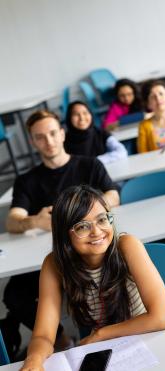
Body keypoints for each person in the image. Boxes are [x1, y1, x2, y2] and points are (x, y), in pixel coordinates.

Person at [2, 110, 119, 359]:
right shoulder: (27, 180)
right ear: (33, 142)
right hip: (54, 260)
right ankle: (60, 339)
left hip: (92, 251)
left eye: (53, 133)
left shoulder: (89, 165)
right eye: (40, 137)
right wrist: (35, 221)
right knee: (14, 295)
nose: (49, 141)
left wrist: (83, 215)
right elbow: (12, 220)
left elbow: (113, 195)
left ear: (62, 133)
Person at [19, 185, 165, 371]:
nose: (97, 232)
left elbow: (162, 317)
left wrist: (101, 334)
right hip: (104, 351)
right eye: (82, 226)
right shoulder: (54, 264)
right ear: (64, 234)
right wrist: (33, 360)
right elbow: (43, 335)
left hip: (147, 337)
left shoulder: (127, 245)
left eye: (102, 219)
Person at [64, 101, 128, 164]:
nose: (81, 118)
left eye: (85, 113)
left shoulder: (101, 133)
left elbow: (122, 152)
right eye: (76, 114)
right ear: (69, 118)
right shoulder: (64, 140)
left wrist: (94, 161)